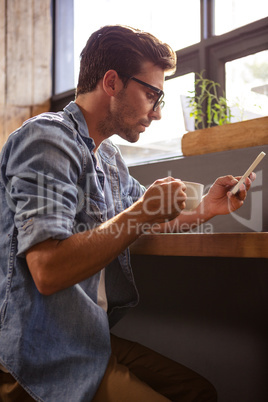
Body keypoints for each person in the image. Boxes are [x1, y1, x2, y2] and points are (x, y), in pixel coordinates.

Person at [0, 25, 255, 402]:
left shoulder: (108, 158)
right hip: (39, 355)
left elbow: (150, 217)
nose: (157, 113)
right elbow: (48, 270)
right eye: (153, 95)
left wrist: (205, 210)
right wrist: (142, 212)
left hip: (87, 339)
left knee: (199, 391)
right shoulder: (46, 140)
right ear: (112, 82)